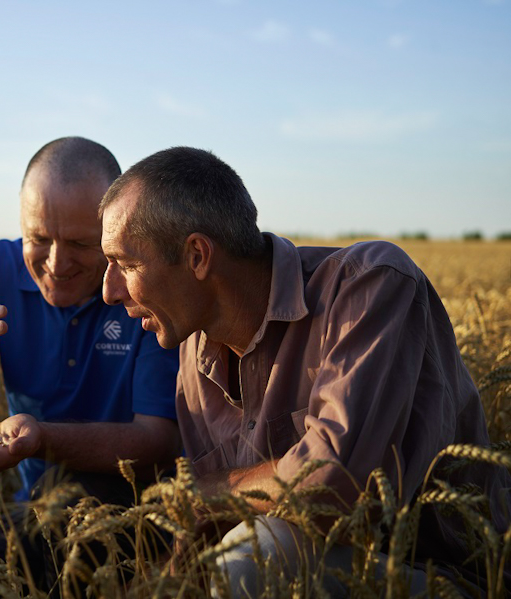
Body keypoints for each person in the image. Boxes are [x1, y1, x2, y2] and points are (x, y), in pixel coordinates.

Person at [99, 146, 510, 596]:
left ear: (197, 255)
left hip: (444, 577)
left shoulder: (367, 285)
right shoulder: (195, 352)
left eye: (126, 264)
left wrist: (209, 490)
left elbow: (332, 485)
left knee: (257, 558)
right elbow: (209, 522)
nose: (109, 292)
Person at [0, 137, 180, 593]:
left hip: (144, 513)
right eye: (38, 239)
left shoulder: (145, 277)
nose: (56, 264)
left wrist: (42, 440)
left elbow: (158, 441)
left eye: (80, 243)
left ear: (115, 229)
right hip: (34, 510)